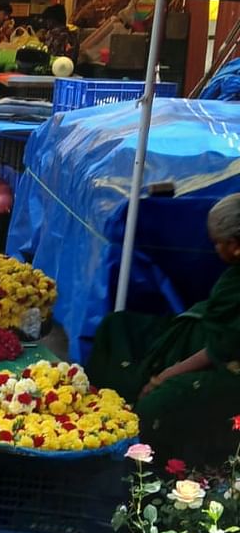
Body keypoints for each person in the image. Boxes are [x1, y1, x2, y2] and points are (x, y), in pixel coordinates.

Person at [88, 194, 240, 463]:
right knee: (118, 325)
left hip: (230, 370)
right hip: (208, 335)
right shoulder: (232, 278)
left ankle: (153, 477)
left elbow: (221, 349)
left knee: (157, 403)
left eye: (217, 243)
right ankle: (102, 406)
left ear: (235, 245)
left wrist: (166, 376)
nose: (215, 250)